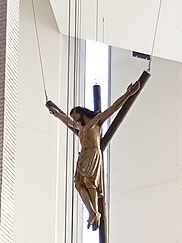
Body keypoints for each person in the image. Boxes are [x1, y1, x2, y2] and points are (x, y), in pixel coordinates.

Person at [46, 78, 145, 230]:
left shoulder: (96, 121)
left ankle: (96, 212)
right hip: (83, 156)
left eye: (75, 116)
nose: (74, 120)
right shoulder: (79, 127)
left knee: (89, 182)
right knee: (78, 184)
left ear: (80, 113)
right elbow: (64, 119)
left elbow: (113, 108)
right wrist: (55, 113)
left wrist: (127, 94)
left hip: (92, 154)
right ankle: (92, 212)